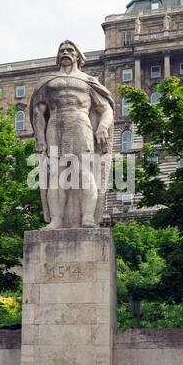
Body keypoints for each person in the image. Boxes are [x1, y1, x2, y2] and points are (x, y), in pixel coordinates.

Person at [30, 40, 114, 230]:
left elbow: (106, 108)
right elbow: (38, 112)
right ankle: (57, 220)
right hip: (55, 125)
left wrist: (102, 127)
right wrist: (40, 139)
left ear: (78, 56)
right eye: (62, 50)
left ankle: (87, 218)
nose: (65, 52)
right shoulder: (48, 82)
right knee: (57, 175)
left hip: (80, 123)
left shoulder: (87, 81)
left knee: (85, 171)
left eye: (70, 50)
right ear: (58, 56)